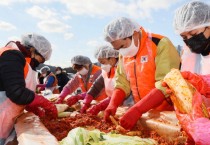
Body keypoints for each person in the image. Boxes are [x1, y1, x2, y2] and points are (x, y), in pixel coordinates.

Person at [103, 17, 181, 130]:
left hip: (167, 113)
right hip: (143, 112)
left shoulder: (160, 43)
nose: (121, 51)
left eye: (122, 46)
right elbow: (122, 82)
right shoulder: (123, 55)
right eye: (117, 49)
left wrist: (138, 109)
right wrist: (113, 104)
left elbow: (167, 83)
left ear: (134, 34)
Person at [164, 1, 210, 144]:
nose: (189, 40)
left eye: (193, 33)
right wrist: (201, 82)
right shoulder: (189, 54)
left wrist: (204, 130)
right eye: (184, 37)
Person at [0, 33, 57, 145]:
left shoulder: (23, 61)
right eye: (41, 59)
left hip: (7, 116)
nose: (41, 63)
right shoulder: (11, 55)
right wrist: (41, 101)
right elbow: (16, 92)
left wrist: (32, 105)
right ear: (32, 50)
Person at [80, 45, 121, 114]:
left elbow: (123, 93)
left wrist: (100, 106)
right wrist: (87, 101)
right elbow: (96, 87)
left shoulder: (122, 69)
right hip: (113, 106)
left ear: (112, 58)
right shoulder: (106, 71)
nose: (102, 66)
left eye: (103, 62)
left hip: (126, 107)